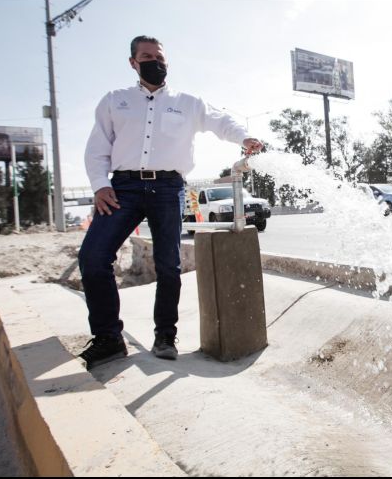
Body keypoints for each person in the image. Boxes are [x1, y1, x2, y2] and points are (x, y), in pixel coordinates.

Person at [78, 35, 263, 369]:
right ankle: (108, 338)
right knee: (93, 257)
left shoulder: (188, 102)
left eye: (159, 56)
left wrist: (243, 137)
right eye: (146, 56)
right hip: (122, 188)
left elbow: (221, 120)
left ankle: (165, 335)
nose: (155, 61)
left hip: (168, 188)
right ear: (133, 62)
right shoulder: (114, 101)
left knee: (168, 265)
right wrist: (99, 185)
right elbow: (97, 147)